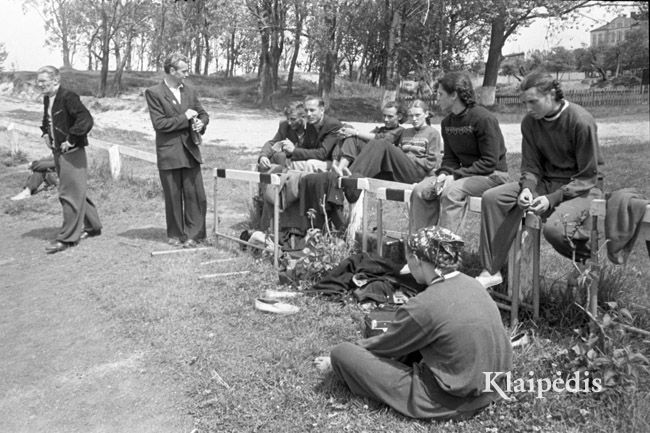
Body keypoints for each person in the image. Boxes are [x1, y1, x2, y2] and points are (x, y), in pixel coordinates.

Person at [314, 225, 512, 420]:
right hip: (490, 391)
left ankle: (340, 363)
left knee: (343, 353)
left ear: (416, 260)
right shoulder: (475, 286)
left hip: (445, 402)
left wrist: (339, 360)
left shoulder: (424, 304)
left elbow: (384, 346)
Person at [475, 72, 603, 288]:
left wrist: (551, 199)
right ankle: (491, 269)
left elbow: (588, 175)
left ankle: (585, 260)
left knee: (554, 230)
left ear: (552, 94)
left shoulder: (580, 121)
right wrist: (527, 189)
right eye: (525, 103)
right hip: (546, 183)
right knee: (493, 197)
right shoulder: (530, 122)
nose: (528, 108)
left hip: (582, 188)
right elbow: (532, 166)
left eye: (533, 101)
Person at [410, 71, 509, 233]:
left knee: (451, 192)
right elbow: (450, 159)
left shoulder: (484, 119)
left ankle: (447, 253)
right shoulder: (447, 123)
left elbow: (489, 162)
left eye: (440, 94)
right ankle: (423, 250)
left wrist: (455, 176)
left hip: (494, 175)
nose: (437, 98)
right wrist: (443, 174)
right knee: (421, 190)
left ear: (454, 95)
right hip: (466, 175)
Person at [145, 53, 210, 248]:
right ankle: (175, 234)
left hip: (190, 151)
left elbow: (203, 113)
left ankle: (195, 235)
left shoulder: (189, 91)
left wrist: (201, 123)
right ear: (172, 71)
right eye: (183, 70)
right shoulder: (154, 92)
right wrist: (185, 117)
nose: (187, 74)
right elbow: (160, 124)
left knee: (196, 195)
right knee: (173, 196)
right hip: (169, 153)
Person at [36, 66, 102, 254]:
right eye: (38, 81)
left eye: (43, 81)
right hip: (58, 152)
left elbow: (86, 119)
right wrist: (45, 134)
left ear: (55, 81)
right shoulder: (48, 97)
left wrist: (71, 139)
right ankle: (93, 226)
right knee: (76, 190)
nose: (39, 84)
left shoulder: (68, 96)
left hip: (72, 153)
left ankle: (67, 238)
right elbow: (47, 120)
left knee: (68, 193)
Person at [343, 99, 441, 202]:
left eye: (417, 115)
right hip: (400, 171)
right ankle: (353, 181)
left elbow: (431, 163)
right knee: (375, 154)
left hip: (416, 174)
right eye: (411, 116)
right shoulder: (406, 132)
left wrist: (409, 158)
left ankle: (351, 181)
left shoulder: (432, 133)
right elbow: (398, 153)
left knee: (382, 143)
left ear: (426, 114)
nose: (414, 119)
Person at [332, 101, 406, 176]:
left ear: (399, 116)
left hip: (381, 160)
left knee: (353, 137)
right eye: (384, 116)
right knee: (348, 135)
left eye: (390, 116)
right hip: (369, 153)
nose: (386, 119)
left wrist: (355, 132)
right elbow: (367, 136)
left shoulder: (399, 130)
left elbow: (381, 139)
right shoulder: (381, 129)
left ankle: (340, 169)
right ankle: (336, 165)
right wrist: (347, 132)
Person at [281, 95, 344, 172]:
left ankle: (308, 184)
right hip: (319, 160)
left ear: (322, 110)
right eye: (306, 110)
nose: (308, 114)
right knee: (291, 164)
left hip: (334, 162)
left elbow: (323, 153)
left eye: (312, 110)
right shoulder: (310, 124)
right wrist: (289, 154)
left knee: (310, 164)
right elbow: (306, 147)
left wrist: (294, 150)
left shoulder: (332, 124)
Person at [257, 102, 307, 173]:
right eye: (288, 119)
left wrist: (294, 149)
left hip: (305, 162)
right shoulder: (285, 126)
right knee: (280, 156)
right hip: (289, 162)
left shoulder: (312, 128)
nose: (289, 122)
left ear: (303, 117)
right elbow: (273, 143)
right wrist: (263, 156)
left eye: (293, 119)